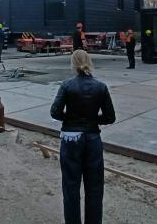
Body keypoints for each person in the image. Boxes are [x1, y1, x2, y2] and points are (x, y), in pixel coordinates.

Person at [50, 49, 116, 224]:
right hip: (93, 138)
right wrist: (93, 119)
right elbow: (110, 117)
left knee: (70, 187)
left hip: (71, 138)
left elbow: (55, 112)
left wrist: (70, 119)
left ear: (73, 64)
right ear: (89, 62)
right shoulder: (101, 87)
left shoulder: (66, 85)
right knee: (95, 188)